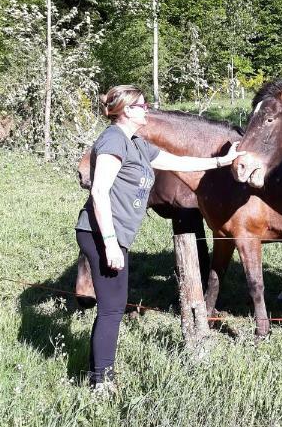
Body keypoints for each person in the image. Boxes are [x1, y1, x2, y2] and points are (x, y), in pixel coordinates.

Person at [75, 84, 242, 389]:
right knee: (113, 308)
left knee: (113, 305)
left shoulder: (136, 143)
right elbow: (99, 192)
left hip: (113, 234)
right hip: (100, 233)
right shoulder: (114, 140)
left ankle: (99, 372)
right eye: (142, 105)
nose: (147, 109)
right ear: (126, 110)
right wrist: (110, 243)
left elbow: (178, 163)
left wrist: (221, 162)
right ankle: (101, 381)